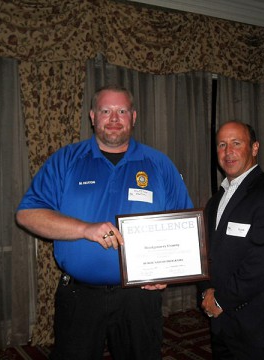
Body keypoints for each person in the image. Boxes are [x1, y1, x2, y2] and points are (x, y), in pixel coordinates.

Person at [16, 84, 193, 360]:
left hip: (139, 298)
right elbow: (27, 214)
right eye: (105, 111)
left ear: (133, 117)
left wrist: (168, 272)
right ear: (92, 116)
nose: (113, 118)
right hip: (79, 297)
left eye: (121, 111)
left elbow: (183, 224)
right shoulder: (65, 160)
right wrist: (85, 229)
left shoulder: (159, 164)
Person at [198, 120, 264, 360]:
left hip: (258, 326)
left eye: (236, 143)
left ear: (254, 148)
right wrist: (205, 292)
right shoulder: (216, 200)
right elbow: (206, 252)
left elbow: (263, 264)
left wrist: (219, 299)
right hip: (221, 322)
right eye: (222, 144)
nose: (227, 151)